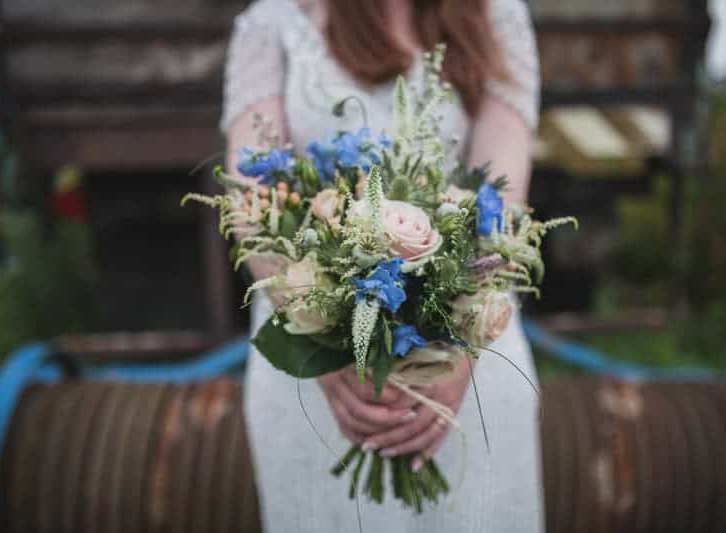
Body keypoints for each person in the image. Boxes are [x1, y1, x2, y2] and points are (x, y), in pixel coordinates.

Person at [221, 0, 543, 531]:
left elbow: (502, 202)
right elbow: (251, 205)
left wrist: (457, 359)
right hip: (314, 362)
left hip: (469, 358)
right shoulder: (273, 23)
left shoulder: (496, 14)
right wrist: (325, 354)